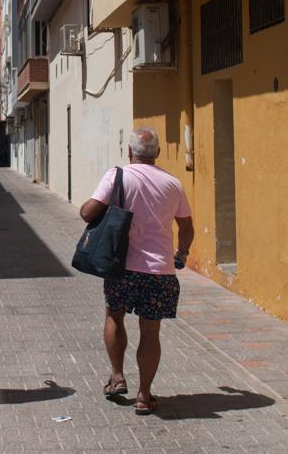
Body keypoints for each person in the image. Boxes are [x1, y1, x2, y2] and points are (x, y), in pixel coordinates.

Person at [80, 127, 194, 415]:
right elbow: (187, 227)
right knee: (151, 331)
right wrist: (181, 253)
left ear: (129, 152)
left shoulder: (118, 175)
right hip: (159, 270)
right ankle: (144, 395)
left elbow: (88, 212)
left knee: (114, 316)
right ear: (157, 153)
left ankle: (117, 376)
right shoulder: (173, 183)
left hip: (122, 267)